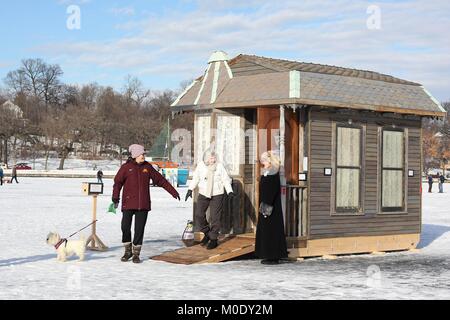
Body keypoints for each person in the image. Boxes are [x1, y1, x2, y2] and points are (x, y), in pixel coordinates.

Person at [112, 144, 180, 263]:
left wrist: (173, 191)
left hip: (143, 204)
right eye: (141, 154)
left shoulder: (147, 167)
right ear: (135, 155)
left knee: (139, 229)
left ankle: (136, 254)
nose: (143, 156)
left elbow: (161, 180)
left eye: (144, 154)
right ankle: (128, 251)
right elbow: (117, 183)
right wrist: (115, 198)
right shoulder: (126, 167)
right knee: (125, 227)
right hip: (128, 203)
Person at [185, 150, 233, 250]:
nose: (213, 160)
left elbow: (225, 179)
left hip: (217, 194)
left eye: (214, 157)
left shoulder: (219, 166)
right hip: (203, 193)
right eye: (211, 158)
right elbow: (196, 178)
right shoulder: (201, 166)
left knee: (215, 217)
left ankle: (214, 239)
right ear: (206, 158)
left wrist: (229, 191)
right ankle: (207, 233)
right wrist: (190, 189)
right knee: (199, 214)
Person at [255, 151, 288, 265]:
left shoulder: (273, 171)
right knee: (266, 230)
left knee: (271, 230)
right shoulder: (267, 171)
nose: (262, 162)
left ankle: (273, 256)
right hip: (266, 203)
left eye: (264, 160)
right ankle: (268, 255)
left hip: (270, 205)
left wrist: (266, 207)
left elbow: (272, 190)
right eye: (262, 160)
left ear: (269, 160)